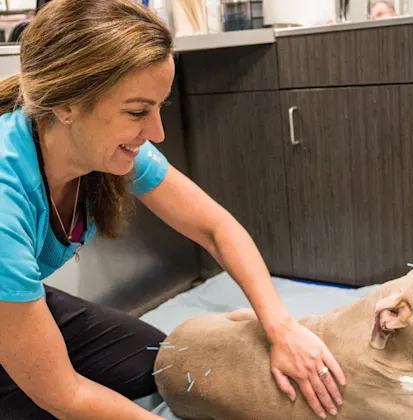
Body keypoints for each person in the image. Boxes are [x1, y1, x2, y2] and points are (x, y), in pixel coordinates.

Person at [0, 0, 346, 419]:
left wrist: (282, 328)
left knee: (164, 366)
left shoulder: (99, 147)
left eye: (158, 107)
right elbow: (64, 394)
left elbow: (216, 227)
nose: (157, 134)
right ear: (66, 104)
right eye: (137, 112)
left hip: (16, 298)